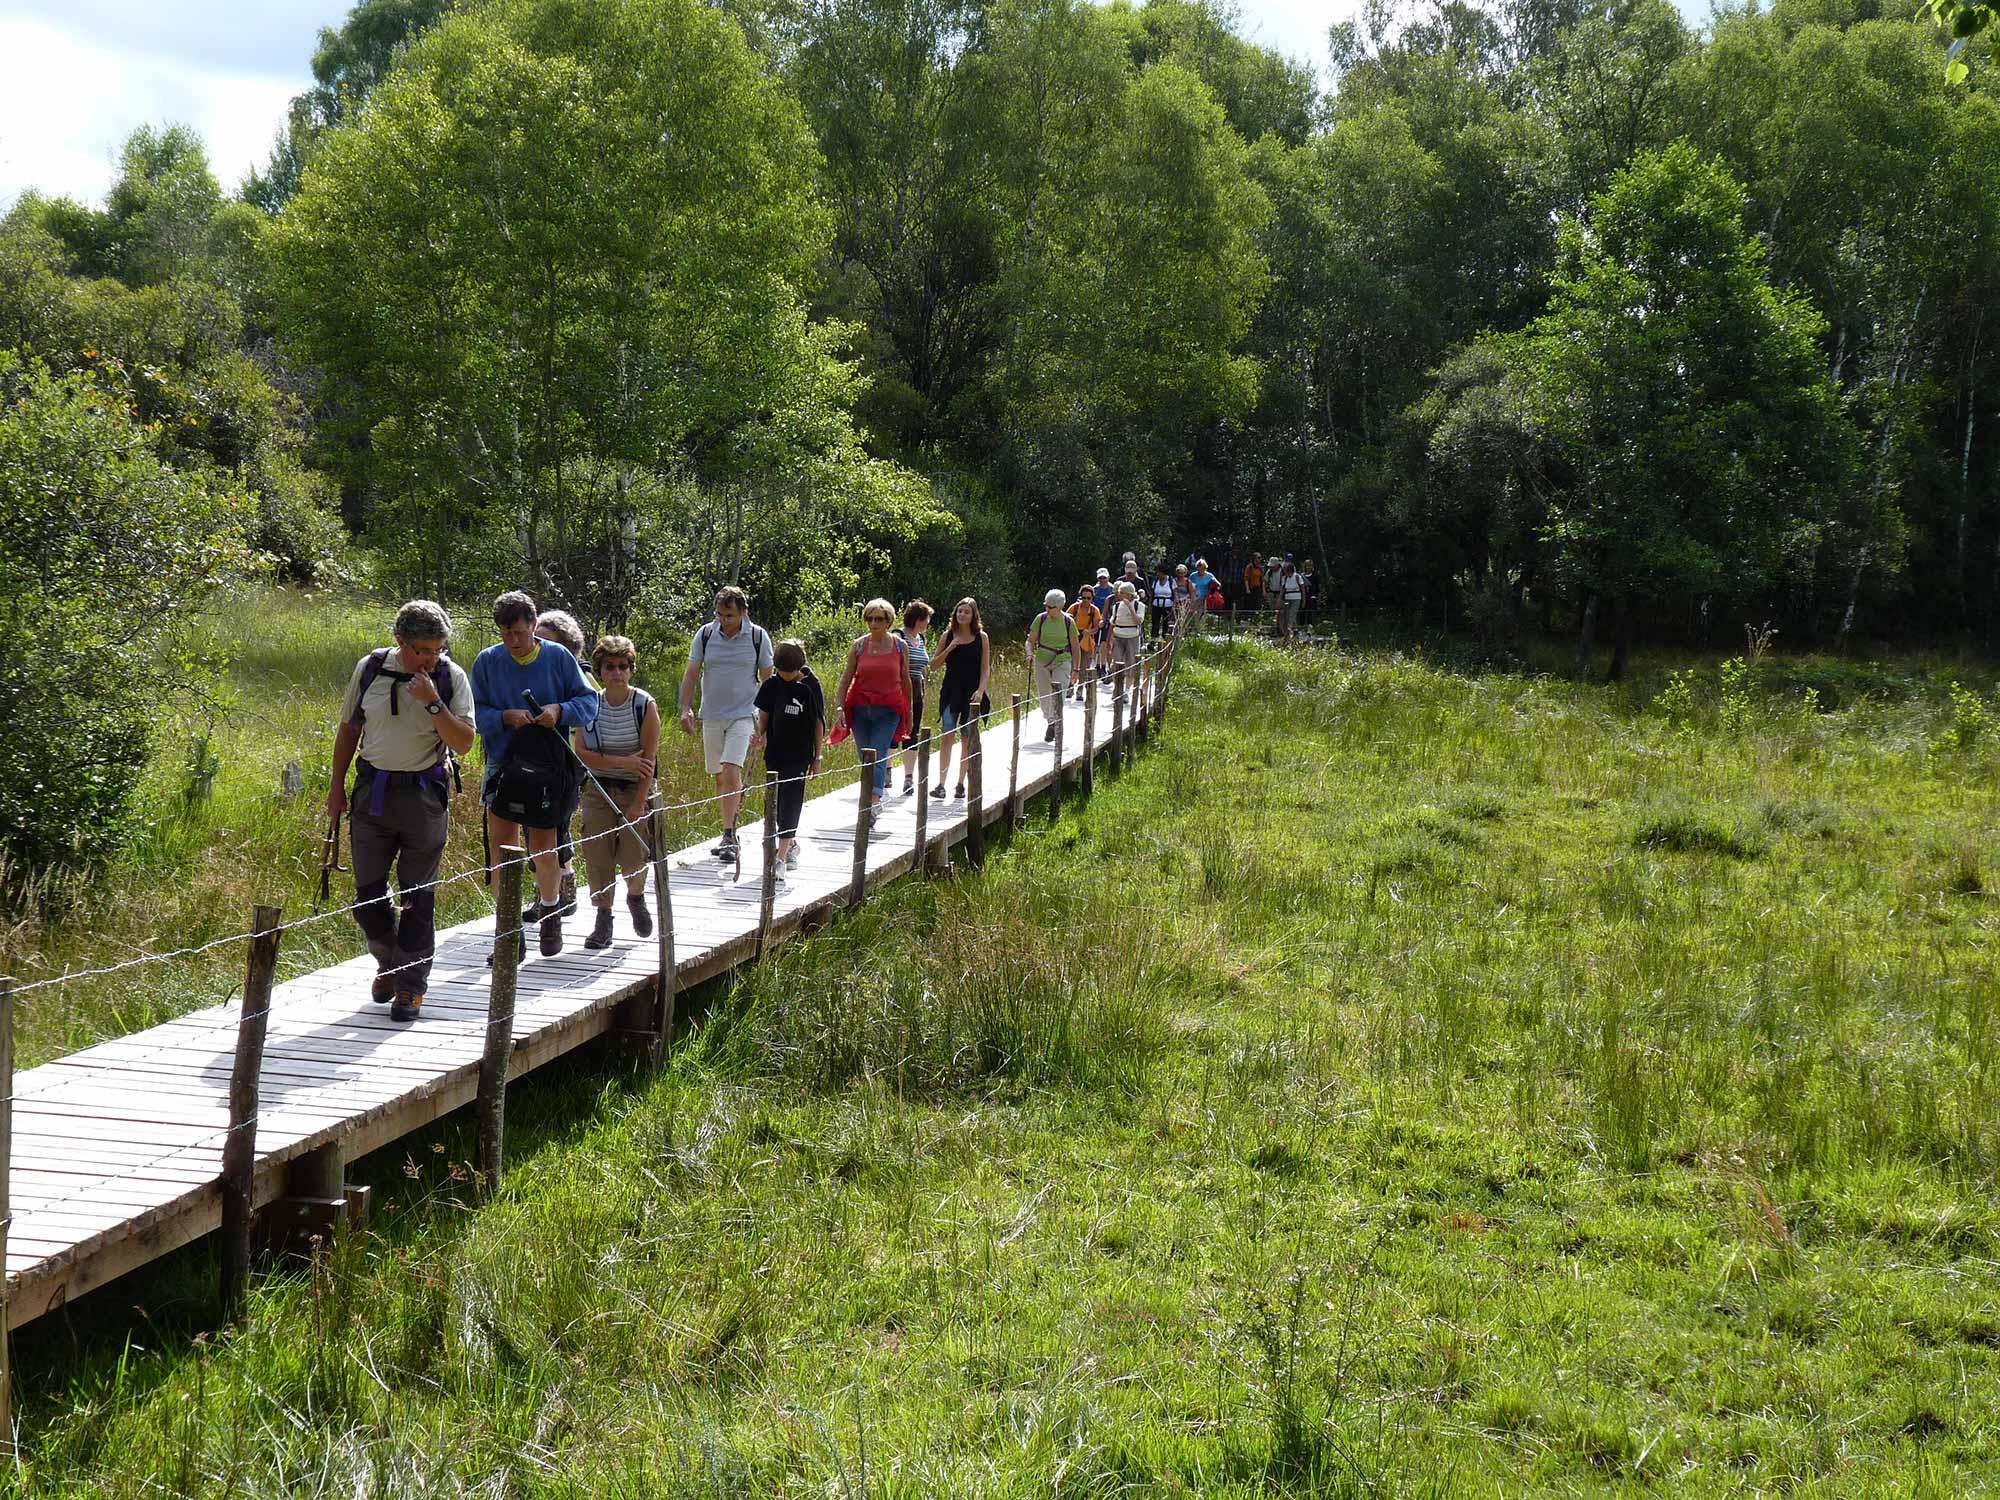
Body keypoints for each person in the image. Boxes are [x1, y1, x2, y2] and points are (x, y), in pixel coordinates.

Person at [326, 600, 477, 1024]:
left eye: (438, 649)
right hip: (372, 793)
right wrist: (336, 788)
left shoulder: (450, 677)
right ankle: (390, 962)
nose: (431, 658)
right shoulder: (371, 668)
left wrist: (433, 702)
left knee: (417, 898)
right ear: (399, 641)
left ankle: (411, 986)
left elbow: (464, 742)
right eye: (422, 650)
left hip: (423, 797)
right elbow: (350, 728)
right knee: (367, 899)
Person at [473, 591, 599, 960]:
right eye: (505, 633)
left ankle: (550, 913)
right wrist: (504, 717)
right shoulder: (487, 662)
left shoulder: (558, 657)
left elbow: (589, 703)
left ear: (533, 624)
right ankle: (510, 934)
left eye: (519, 632)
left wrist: (558, 711)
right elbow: (473, 714)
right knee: (502, 850)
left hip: (548, 766)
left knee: (544, 847)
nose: (512, 640)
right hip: (503, 764)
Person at [574, 635, 659, 952]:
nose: (617, 673)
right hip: (598, 789)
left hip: (635, 789)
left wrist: (638, 803)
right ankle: (603, 918)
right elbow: (582, 753)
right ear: (600, 670)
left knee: (633, 854)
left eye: (623, 666)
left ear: (631, 669)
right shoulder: (590, 704)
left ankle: (636, 896)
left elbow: (648, 760)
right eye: (610, 667)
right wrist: (623, 761)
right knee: (597, 854)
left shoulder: (644, 705)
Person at [677, 586, 774, 863]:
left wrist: (765, 724)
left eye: (729, 615)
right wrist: (686, 708)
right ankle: (728, 829)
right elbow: (691, 673)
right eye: (719, 614)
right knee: (720, 776)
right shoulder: (705, 634)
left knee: (732, 769)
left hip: (745, 714)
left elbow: (768, 681)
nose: (724, 620)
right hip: (712, 715)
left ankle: (730, 835)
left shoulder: (757, 637)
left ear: (744, 612)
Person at [535, 608, 593, 917]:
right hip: (536, 761)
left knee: (557, 825)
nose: (539, 647)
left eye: (547, 642)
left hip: (569, 763)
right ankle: (551, 891)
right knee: (538, 829)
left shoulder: (580, 677)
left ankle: (562, 888)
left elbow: (591, 716)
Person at [835, 598, 913, 825]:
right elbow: (846, 678)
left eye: (878, 619)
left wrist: (909, 713)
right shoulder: (859, 646)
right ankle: (869, 800)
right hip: (860, 709)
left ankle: (873, 802)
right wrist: (840, 707)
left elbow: (905, 680)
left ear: (888, 621)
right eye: (869, 619)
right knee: (864, 756)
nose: (873, 623)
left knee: (877, 754)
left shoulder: (900, 646)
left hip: (888, 711)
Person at [755, 639, 825, 886]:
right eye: (782, 671)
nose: (786, 677)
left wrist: (817, 757)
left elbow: (818, 723)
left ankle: (781, 857)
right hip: (775, 752)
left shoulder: (810, 687)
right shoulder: (771, 685)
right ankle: (790, 843)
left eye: (790, 672)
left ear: (799, 667)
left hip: (800, 754)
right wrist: (760, 735)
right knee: (776, 800)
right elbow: (764, 715)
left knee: (792, 800)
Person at [930, 597, 991, 799]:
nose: (962, 615)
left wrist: (981, 691)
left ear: (974, 616)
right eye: (959, 611)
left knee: (966, 737)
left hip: (972, 692)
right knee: (947, 733)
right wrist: (950, 647)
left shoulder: (981, 637)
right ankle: (941, 784)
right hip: (951, 691)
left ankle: (960, 784)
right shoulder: (947, 636)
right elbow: (934, 665)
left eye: (966, 612)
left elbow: (985, 669)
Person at [1026, 588, 1082, 742]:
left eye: (1050, 607)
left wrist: (1076, 669)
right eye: (1046, 605)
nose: (1047, 609)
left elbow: (1076, 647)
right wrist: (1029, 653)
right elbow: (1030, 641)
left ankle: (1053, 722)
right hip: (1042, 661)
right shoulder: (1040, 619)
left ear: (1060, 607)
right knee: (1044, 695)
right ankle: (1050, 720)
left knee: (1058, 693)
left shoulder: (1068, 622)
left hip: (1062, 661)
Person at [896, 600, 934, 797]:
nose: (928, 623)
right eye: (927, 619)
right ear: (918, 619)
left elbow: (923, 666)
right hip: (899, 691)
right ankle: (886, 773)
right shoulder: (898, 636)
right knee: (894, 731)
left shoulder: (921, 639)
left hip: (918, 692)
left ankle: (908, 778)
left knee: (913, 732)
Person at [1106, 579, 1145, 689]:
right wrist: (1109, 640)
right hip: (1118, 637)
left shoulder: (1139, 605)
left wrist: (1130, 608)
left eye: (1121, 592)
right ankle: (1117, 689)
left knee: (1131, 664)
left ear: (1129, 594)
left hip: (1132, 637)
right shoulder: (1116, 606)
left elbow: (1138, 621)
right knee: (1116, 664)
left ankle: (1127, 689)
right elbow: (1113, 623)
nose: (1118, 594)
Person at [1067, 584, 1101, 702]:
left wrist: (1088, 631)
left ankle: (1080, 690)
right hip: (1073, 638)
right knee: (1071, 665)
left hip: (1086, 640)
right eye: (1083, 597)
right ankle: (1070, 688)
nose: (1086, 600)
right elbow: (1066, 620)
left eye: (1088, 598)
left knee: (1083, 667)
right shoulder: (1074, 608)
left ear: (1092, 598)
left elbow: (1096, 628)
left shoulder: (1094, 610)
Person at [1275, 555, 1305, 640]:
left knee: (1292, 614)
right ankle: (1295, 630)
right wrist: (1279, 599)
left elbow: (1302, 589)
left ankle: (1288, 631)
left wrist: (1304, 600)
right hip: (1287, 598)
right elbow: (1282, 590)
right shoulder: (1284, 578)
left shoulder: (1297, 577)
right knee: (1287, 615)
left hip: (1296, 598)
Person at [1148, 562, 1177, 642]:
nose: (1158, 574)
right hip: (1156, 605)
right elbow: (1152, 594)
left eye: (1159, 572)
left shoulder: (1171, 581)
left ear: (1164, 573)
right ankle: (1153, 640)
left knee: (1166, 623)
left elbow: (1175, 595)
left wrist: (1174, 606)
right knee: (1155, 623)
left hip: (1168, 606)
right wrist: (1150, 606)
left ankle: (1165, 641)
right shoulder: (1156, 581)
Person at [1242, 553, 1266, 620]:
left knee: (1257, 604)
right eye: (1258, 557)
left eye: (1260, 557)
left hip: (1257, 588)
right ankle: (1248, 618)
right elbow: (1246, 578)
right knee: (1250, 604)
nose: (1260, 559)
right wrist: (1247, 589)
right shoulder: (1249, 567)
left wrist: (1263, 590)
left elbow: (1262, 580)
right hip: (1251, 588)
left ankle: (1255, 618)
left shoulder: (1260, 568)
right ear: (1254, 558)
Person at [1299, 557, 1320, 629]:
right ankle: (1301, 628)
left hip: (1312, 597)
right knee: (1302, 613)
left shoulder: (1315, 576)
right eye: (1307, 565)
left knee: (1310, 614)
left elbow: (1317, 587)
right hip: (1303, 597)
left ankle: (1310, 629)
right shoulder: (1301, 576)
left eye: (1310, 565)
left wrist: (1317, 597)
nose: (1309, 567)